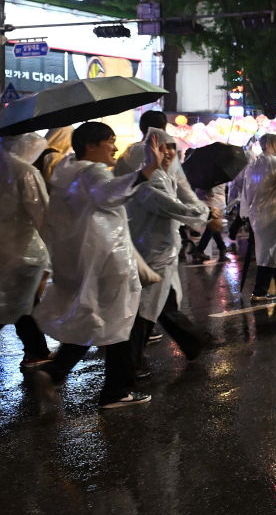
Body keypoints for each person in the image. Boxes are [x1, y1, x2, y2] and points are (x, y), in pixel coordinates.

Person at [31, 123, 163, 409]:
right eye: (110, 142)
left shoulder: (67, 172)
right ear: (91, 145)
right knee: (120, 321)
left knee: (97, 320)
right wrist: (147, 171)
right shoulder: (93, 171)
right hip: (108, 260)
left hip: (87, 259)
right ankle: (115, 391)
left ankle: (55, 372)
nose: (114, 148)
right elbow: (110, 193)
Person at [126, 128, 211, 374]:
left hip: (162, 251)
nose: (169, 152)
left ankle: (190, 342)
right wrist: (204, 213)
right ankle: (132, 364)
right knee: (146, 308)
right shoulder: (152, 179)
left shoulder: (165, 176)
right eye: (162, 147)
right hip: (152, 251)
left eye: (172, 147)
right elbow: (169, 206)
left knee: (159, 304)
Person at [0, 133, 51, 368]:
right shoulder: (25, 172)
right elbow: (42, 214)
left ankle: (36, 349)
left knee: (24, 304)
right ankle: (37, 350)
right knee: (21, 303)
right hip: (23, 253)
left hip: (9, 253)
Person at [242, 133, 276, 300]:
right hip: (275, 215)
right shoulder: (275, 165)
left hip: (257, 215)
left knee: (269, 249)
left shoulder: (253, 164)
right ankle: (260, 290)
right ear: (272, 144)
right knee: (270, 251)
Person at [190, 183, 228, 262]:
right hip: (214, 201)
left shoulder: (203, 175)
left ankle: (221, 247)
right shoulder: (215, 175)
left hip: (207, 199)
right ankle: (200, 249)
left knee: (213, 226)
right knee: (212, 227)